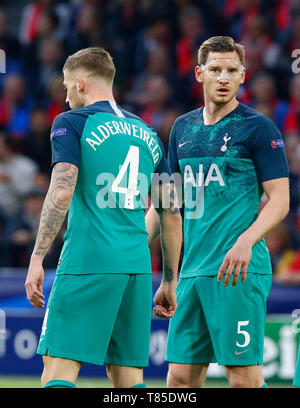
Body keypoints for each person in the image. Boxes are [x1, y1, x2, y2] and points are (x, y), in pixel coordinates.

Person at [24, 47, 182, 389]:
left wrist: (37, 256)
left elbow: (62, 190)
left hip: (88, 260)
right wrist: (169, 281)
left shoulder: (71, 123)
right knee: (127, 377)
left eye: (66, 87)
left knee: (58, 368)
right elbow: (171, 210)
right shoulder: (149, 133)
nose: (65, 98)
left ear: (80, 82)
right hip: (137, 269)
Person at [146, 36, 290, 388]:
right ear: (199, 74)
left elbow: (280, 200)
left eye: (231, 70)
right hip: (192, 272)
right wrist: (133, 244)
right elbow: (168, 202)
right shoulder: (182, 128)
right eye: (215, 70)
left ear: (243, 75)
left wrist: (247, 240)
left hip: (238, 271)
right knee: (179, 379)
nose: (223, 77)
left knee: (242, 378)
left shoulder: (258, 128)